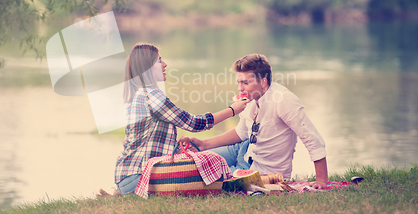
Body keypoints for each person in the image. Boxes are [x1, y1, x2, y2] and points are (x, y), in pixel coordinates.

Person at [113, 43, 250, 194]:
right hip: (139, 176)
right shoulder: (151, 95)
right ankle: (241, 181)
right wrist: (232, 110)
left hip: (128, 177)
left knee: (217, 158)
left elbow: (150, 143)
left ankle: (122, 192)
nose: (165, 64)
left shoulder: (139, 94)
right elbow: (194, 123)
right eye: (159, 61)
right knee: (215, 166)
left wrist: (177, 148)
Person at [191, 54, 329, 189]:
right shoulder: (251, 97)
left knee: (201, 174)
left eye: (245, 82)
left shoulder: (284, 100)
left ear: (263, 82)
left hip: (262, 171)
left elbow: (312, 139)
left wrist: (321, 180)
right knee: (196, 160)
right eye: (239, 82)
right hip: (243, 150)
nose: (240, 88)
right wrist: (204, 144)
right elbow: (242, 133)